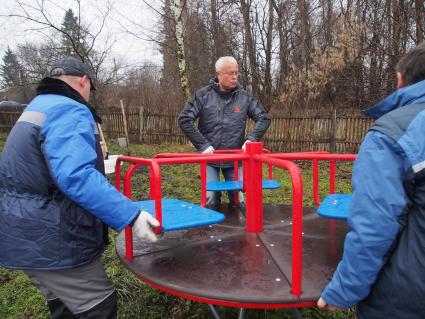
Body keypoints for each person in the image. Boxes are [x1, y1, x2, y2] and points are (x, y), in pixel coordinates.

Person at [0, 57, 159, 318]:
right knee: (98, 304)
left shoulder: (37, 106)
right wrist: (131, 214)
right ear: (84, 81)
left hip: (23, 229)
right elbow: (76, 175)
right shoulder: (69, 109)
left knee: (64, 304)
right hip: (52, 235)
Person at [317, 43, 425, 318]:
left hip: (407, 297)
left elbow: (376, 223)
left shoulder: (393, 132)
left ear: (401, 79)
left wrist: (344, 291)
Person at [178, 56, 271, 208]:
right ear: (218, 74)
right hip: (210, 157)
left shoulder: (244, 97)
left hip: (235, 157)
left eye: (236, 73)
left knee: (238, 199)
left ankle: (240, 229)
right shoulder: (203, 96)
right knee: (211, 198)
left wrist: (251, 139)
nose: (234, 77)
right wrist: (203, 145)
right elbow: (184, 119)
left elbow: (264, 118)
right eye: (230, 73)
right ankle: (212, 230)